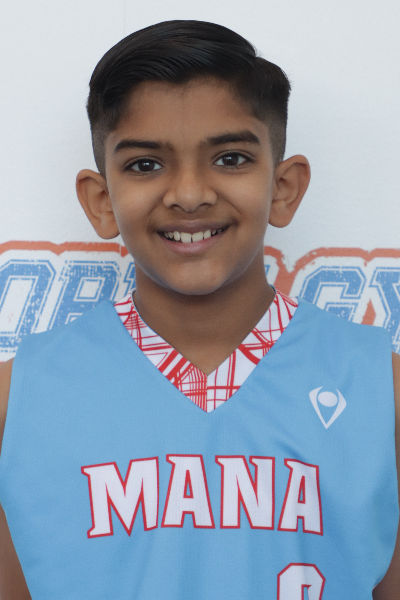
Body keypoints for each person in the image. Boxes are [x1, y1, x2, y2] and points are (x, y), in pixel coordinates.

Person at [0, 20, 398, 599]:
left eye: (231, 158)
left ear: (284, 187)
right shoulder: (17, 401)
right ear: (102, 201)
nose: (189, 194)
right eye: (145, 164)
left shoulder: (381, 389)